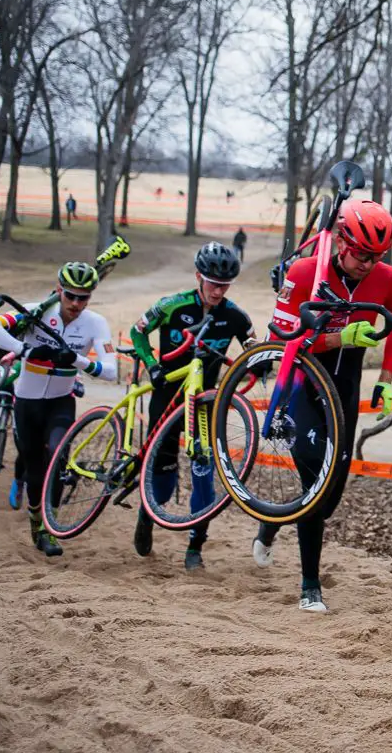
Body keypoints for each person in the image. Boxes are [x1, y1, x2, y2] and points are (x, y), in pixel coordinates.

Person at [254, 199, 392, 613]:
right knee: (315, 481)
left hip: (344, 387)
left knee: (332, 491)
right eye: (362, 254)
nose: (368, 264)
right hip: (303, 383)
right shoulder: (305, 272)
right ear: (341, 240)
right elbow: (283, 342)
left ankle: (272, 521)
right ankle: (310, 586)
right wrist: (339, 337)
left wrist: (386, 379)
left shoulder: (386, 278)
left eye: (377, 256)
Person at [130, 242, 255, 571]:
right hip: (167, 396)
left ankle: (195, 546)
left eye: (224, 285)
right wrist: (150, 364)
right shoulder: (172, 306)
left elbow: (254, 348)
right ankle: (147, 514)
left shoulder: (235, 317)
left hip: (205, 401)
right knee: (165, 479)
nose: (218, 291)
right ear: (199, 276)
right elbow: (137, 331)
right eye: (213, 283)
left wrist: (260, 364)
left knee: (204, 473)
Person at [0, 262, 117, 556]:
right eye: (70, 296)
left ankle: (50, 524)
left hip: (61, 401)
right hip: (27, 401)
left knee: (57, 451)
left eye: (84, 297)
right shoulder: (36, 311)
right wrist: (25, 350)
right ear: (59, 290)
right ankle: (36, 524)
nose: (76, 304)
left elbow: (111, 371)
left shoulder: (96, 323)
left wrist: (78, 361)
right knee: (34, 468)